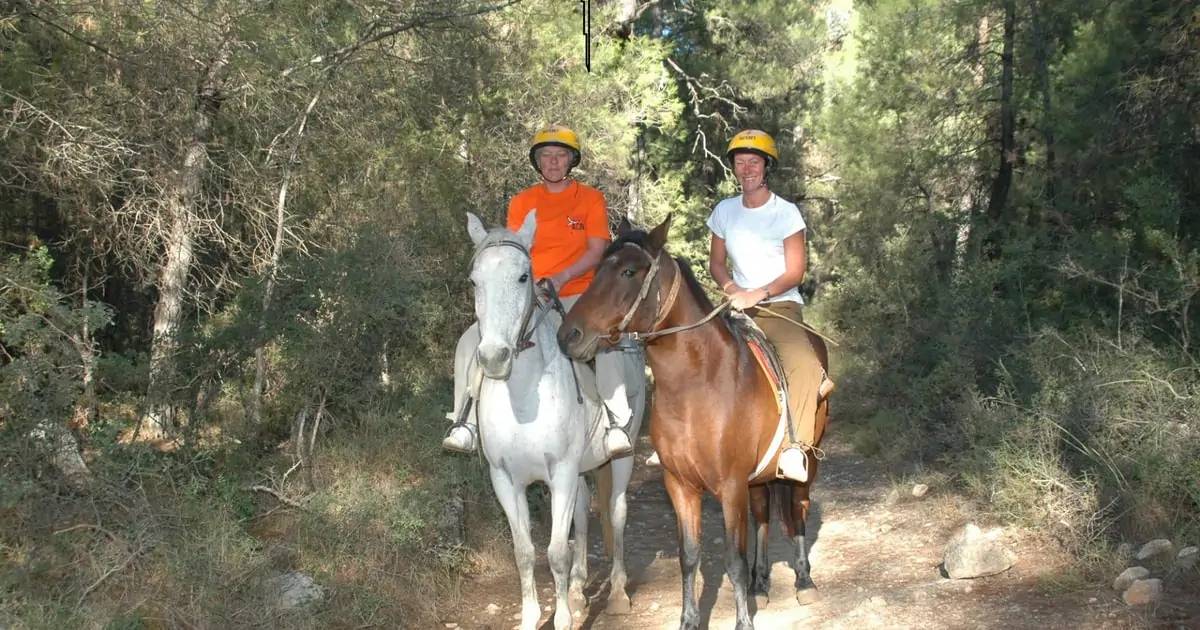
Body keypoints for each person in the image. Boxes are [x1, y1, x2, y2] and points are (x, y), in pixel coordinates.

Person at [442, 125, 641, 459]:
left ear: (571, 160)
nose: (553, 161)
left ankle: (614, 422)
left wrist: (560, 279)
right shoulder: (523, 202)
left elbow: (596, 251)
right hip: (531, 293)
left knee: (601, 341)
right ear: (537, 162)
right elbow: (515, 253)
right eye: (546, 156)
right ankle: (466, 422)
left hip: (579, 292)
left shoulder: (590, 199)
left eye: (560, 155)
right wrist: (528, 287)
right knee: (470, 339)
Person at [645, 129, 827, 483]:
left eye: (753, 162)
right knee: (684, 354)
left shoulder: (786, 213)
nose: (746, 169)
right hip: (735, 305)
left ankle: (795, 446)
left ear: (766, 166)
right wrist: (730, 289)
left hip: (779, 307)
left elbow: (795, 272)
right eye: (740, 163)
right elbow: (716, 264)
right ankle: (673, 440)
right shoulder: (724, 211)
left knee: (804, 364)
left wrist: (758, 293)